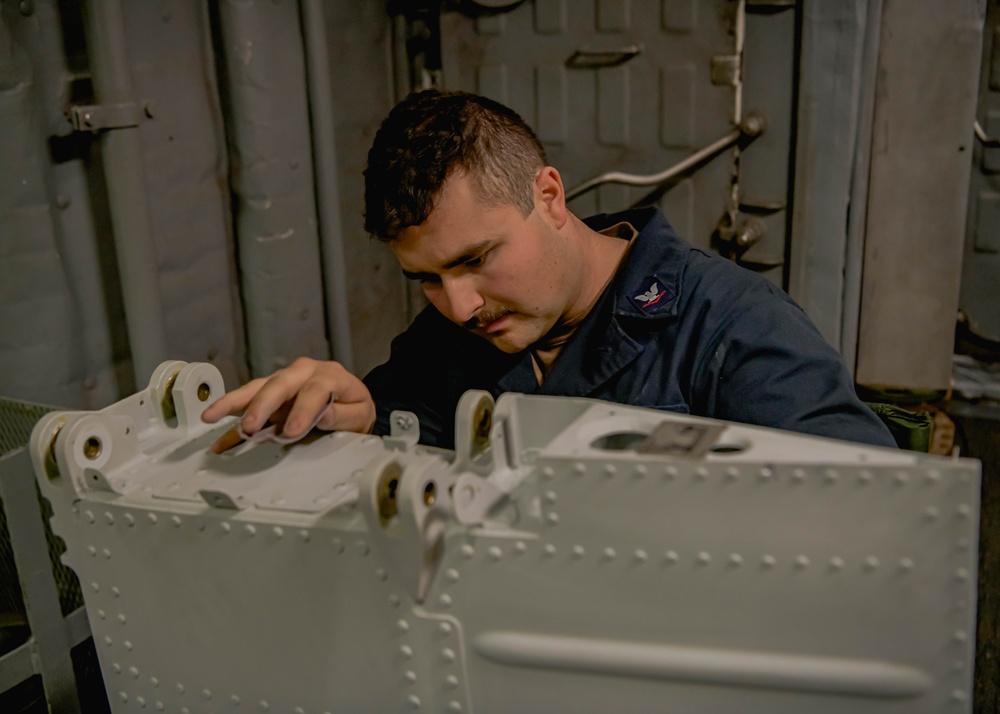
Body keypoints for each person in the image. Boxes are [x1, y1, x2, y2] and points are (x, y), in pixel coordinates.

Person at [202, 89, 895, 451]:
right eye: (427, 278)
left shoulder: (732, 328)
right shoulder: (449, 333)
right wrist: (360, 420)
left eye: (476, 259)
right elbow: (410, 431)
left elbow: (873, 516)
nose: (461, 305)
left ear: (550, 197)